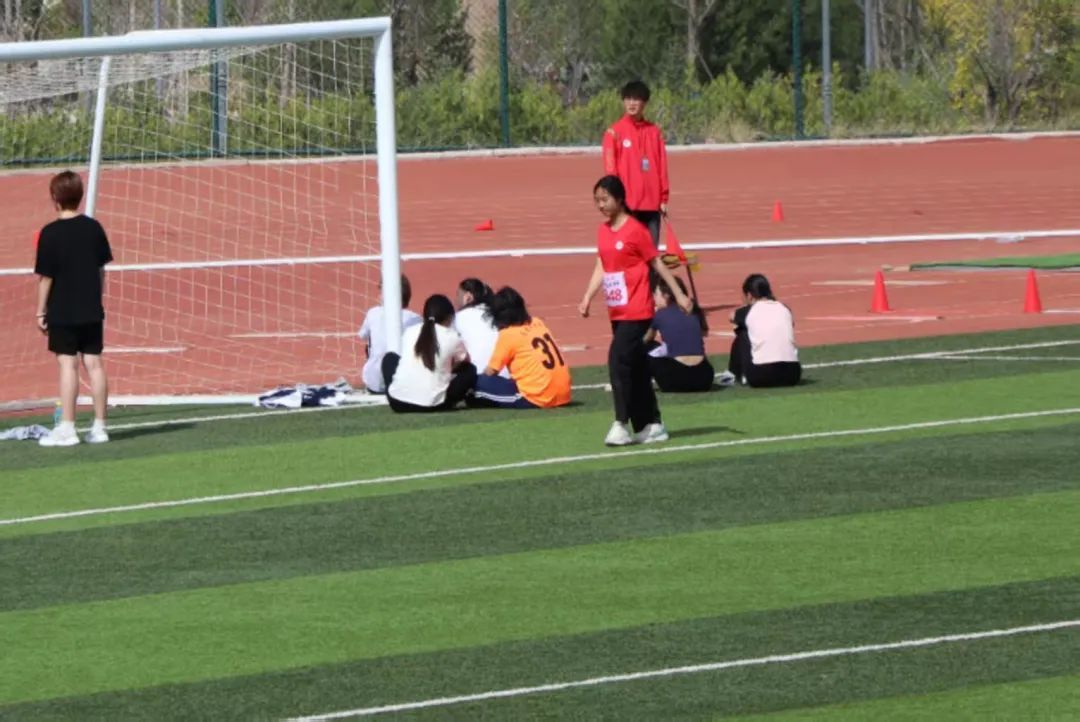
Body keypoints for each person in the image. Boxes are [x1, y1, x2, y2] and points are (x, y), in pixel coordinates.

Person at [579, 175, 693, 446]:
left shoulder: (636, 230)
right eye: (597, 200)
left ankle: (621, 423)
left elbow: (657, 263)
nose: (600, 205)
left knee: (617, 360)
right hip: (617, 311)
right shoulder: (603, 231)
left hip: (638, 310)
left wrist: (679, 294)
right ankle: (650, 424)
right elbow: (602, 264)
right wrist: (587, 296)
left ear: (620, 199)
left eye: (605, 199)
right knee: (637, 366)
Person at [33, 170, 113, 447]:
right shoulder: (94, 228)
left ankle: (67, 427)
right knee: (94, 363)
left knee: (68, 363)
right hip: (90, 307)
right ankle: (100, 427)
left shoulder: (50, 233)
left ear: (55, 198)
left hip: (62, 309)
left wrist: (40, 311)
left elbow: (46, 278)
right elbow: (101, 269)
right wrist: (96, 298)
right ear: (79, 196)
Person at [470, 286, 572, 409]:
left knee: (477, 382)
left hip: (536, 397)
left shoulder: (509, 334)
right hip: (564, 395)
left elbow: (490, 372)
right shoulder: (537, 322)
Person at [602, 79, 670, 248]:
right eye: (628, 99)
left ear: (644, 103)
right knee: (629, 252)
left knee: (651, 253)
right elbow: (611, 172)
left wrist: (663, 198)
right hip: (628, 205)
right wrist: (616, 200)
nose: (631, 103)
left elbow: (662, 166)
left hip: (652, 205)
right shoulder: (614, 133)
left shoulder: (654, 132)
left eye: (636, 99)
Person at [382, 294, 476, 412]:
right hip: (433, 405)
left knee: (389, 358)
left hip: (397, 402)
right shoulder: (452, 337)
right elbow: (465, 361)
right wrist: (449, 368)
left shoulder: (410, 331)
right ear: (449, 318)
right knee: (470, 370)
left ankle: (400, 389)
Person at [723, 274, 801, 388]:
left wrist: (744, 311)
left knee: (742, 332)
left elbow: (731, 316)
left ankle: (734, 374)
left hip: (761, 375)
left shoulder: (749, 310)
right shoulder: (785, 308)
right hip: (792, 374)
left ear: (749, 295)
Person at [645, 275, 714, 392]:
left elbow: (645, 339)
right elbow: (703, 333)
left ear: (666, 295)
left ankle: (639, 382)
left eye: (656, 294)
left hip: (674, 380)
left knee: (648, 346)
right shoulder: (694, 310)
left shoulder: (660, 314)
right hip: (704, 378)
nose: (654, 298)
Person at [358, 274, 422, 394]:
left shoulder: (373, 313)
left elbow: (363, 335)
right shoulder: (416, 319)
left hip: (374, 382)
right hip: (405, 381)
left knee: (370, 346)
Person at [453, 278, 507, 379]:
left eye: (458, 295)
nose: (455, 300)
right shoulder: (497, 316)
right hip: (508, 379)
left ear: (468, 297)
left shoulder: (458, 318)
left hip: (480, 379)